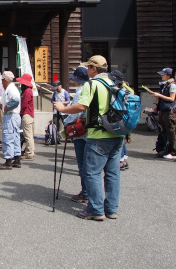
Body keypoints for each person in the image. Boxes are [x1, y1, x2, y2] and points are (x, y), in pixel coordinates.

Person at [54, 55, 124, 221]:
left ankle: (95, 209)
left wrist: (62, 109)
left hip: (98, 134)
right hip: (117, 133)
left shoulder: (92, 84)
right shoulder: (117, 83)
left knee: (91, 173)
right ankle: (111, 209)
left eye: (88, 67)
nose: (87, 70)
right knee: (112, 173)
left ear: (93, 68)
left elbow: (81, 106)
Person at [63, 66, 90, 203]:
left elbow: (76, 113)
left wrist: (65, 121)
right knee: (90, 164)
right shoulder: (93, 88)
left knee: (83, 163)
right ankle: (88, 192)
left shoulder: (81, 92)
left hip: (81, 132)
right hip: (91, 131)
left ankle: (85, 192)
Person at [149, 68, 176, 159]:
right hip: (163, 110)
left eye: (163, 74)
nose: (161, 76)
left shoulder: (172, 85)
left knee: (171, 132)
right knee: (164, 131)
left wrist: (159, 95)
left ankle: (174, 152)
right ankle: (166, 149)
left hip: (169, 111)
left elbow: (172, 99)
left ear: (168, 75)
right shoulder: (165, 85)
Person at [0, 71, 22, 169]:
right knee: (15, 137)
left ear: (6, 80)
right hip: (14, 116)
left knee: (8, 137)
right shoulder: (12, 88)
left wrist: (8, 107)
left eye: (2, 80)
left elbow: (15, 100)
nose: (2, 82)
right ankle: (17, 158)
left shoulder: (11, 89)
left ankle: (8, 161)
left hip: (10, 116)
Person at [110, 70, 133, 171]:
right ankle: (124, 160)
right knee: (122, 139)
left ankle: (120, 161)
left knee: (120, 140)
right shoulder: (126, 89)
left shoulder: (117, 90)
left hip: (119, 117)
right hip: (126, 117)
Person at [16, 73, 35, 160]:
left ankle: (29, 152)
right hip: (30, 114)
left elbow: (24, 104)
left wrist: (19, 113)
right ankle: (30, 151)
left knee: (27, 135)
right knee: (29, 134)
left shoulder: (27, 91)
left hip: (26, 114)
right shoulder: (29, 90)